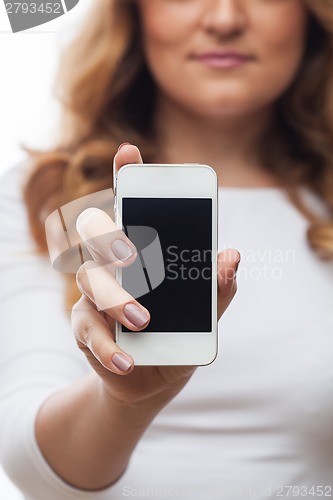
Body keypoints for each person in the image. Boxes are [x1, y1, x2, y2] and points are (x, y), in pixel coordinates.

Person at [0, 0, 333, 498]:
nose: (224, 19)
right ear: (132, 12)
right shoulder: (43, 196)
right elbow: (27, 463)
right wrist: (125, 402)